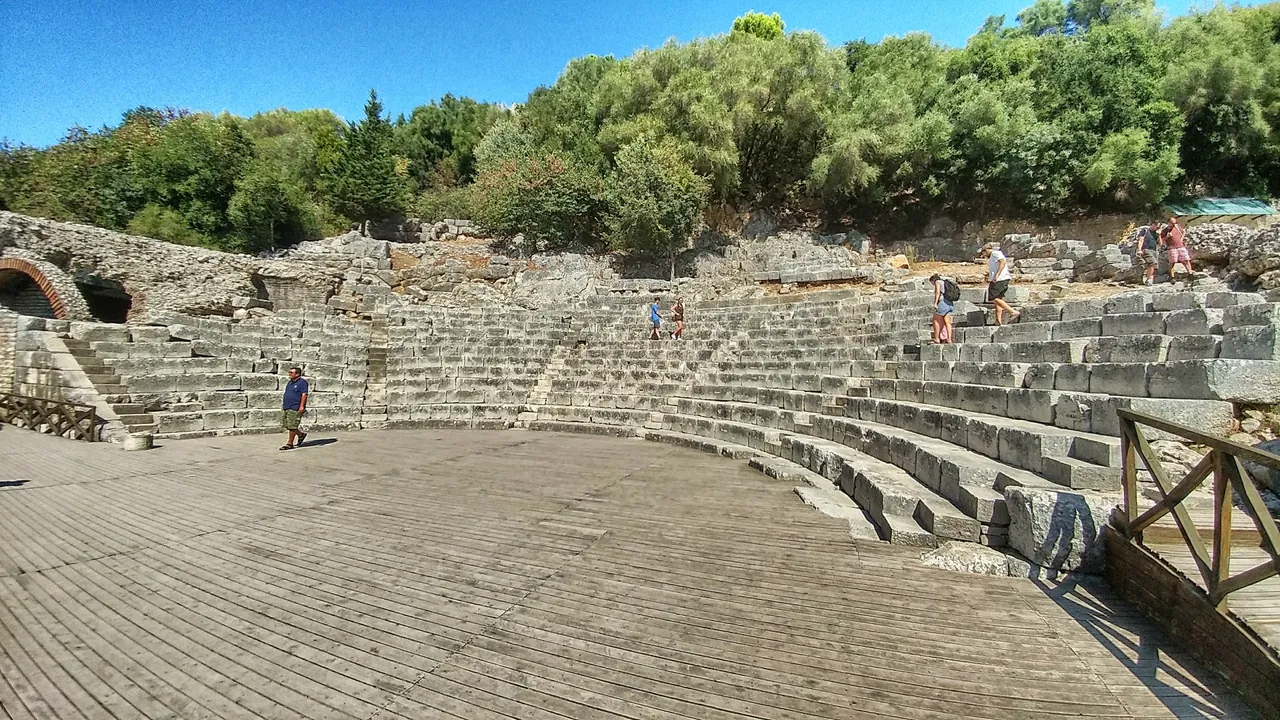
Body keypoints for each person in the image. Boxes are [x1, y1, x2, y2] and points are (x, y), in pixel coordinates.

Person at [981, 242, 1020, 325]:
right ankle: (998, 321)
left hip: (999, 279)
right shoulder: (993, 256)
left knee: (993, 298)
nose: (983, 254)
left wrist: (996, 275)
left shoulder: (995, 253)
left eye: (983, 252)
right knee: (998, 300)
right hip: (998, 279)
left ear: (987, 249)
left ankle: (1012, 311)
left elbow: (1002, 262)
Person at [280, 366, 308, 450]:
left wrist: (302, 406)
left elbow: (304, 394)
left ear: (297, 374)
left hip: (295, 407)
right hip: (286, 406)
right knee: (287, 425)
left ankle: (289, 443)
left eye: (291, 372)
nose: (289, 374)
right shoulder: (290, 382)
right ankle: (300, 435)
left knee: (292, 425)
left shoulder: (302, 382)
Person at [929, 274, 957, 344]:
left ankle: (937, 338)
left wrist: (935, 303)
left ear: (933, 280)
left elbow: (937, 293)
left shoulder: (937, 282)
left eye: (931, 283)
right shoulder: (945, 282)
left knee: (935, 320)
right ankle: (949, 339)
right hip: (949, 303)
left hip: (943, 303)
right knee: (947, 322)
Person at [1164, 216, 1192, 280]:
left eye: (1174, 222)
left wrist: (1181, 239)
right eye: (1172, 223)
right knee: (1172, 262)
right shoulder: (1165, 230)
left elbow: (1183, 231)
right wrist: (1167, 237)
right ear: (1168, 223)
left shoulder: (1177, 227)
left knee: (1186, 260)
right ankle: (1172, 276)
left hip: (1180, 246)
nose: (1174, 224)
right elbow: (1162, 240)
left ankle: (1190, 274)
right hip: (1172, 248)